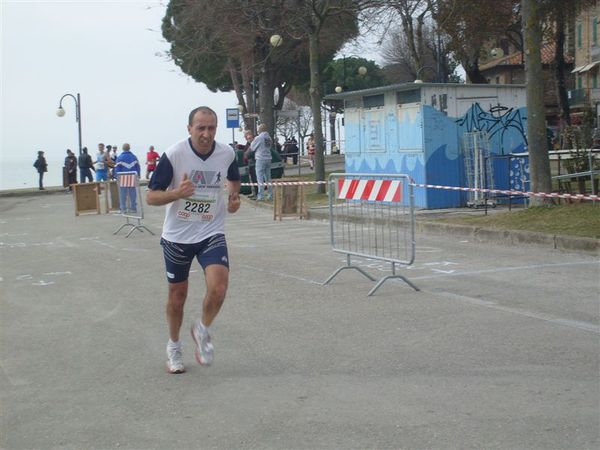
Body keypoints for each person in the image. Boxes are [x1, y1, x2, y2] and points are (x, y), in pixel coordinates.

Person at [146, 106, 241, 374]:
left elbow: (234, 180)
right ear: (189, 128)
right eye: (201, 128)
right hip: (177, 237)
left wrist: (233, 199)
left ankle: (202, 329)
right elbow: (151, 197)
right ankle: (174, 347)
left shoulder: (227, 153)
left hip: (211, 231)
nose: (206, 134)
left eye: (211, 128)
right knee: (178, 296)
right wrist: (177, 193)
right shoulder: (174, 155)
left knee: (219, 287)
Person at [114, 143, 141, 213]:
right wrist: (138, 175)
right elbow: (138, 167)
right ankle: (133, 208)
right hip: (132, 176)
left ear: (123, 148)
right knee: (132, 193)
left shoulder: (119, 157)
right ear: (129, 148)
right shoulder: (134, 157)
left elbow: (117, 168)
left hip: (123, 177)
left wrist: (117, 177)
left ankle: (123, 208)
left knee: (122, 194)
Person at [249, 123, 273, 201]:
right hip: (268, 158)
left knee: (259, 178)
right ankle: (270, 195)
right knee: (268, 178)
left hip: (260, 159)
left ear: (259, 130)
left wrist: (250, 141)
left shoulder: (259, 138)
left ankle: (261, 196)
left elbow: (252, 148)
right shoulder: (269, 138)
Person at [242, 130, 258, 198]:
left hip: (253, 163)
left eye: (246, 136)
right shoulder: (248, 143)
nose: (246, 138)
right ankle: (254, 192)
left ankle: (256, 193)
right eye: (245, 137)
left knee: (255, 179)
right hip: (250, 163)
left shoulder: (253, 143)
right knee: (252, 179)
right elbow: (246, 150)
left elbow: (250, 152)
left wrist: (246, 155)